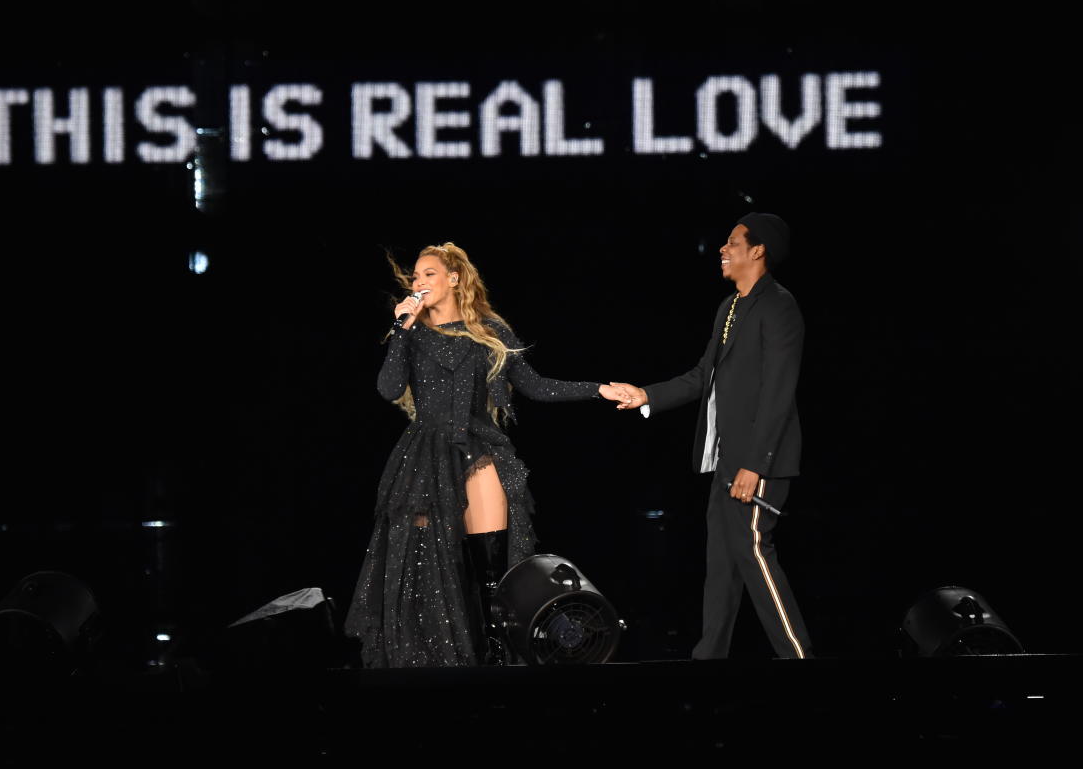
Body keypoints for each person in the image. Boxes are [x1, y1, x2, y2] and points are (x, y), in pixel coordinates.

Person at [345, 242, 628, 667]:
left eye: (428, 274)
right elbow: (387, 389)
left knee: (492, 569)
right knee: (430, 567)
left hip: (477, 448)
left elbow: (536, 385)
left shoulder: (490, 330)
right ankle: (438, 660)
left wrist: (598, 388)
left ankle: (497, 655)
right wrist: (401, 329)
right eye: (416, 277)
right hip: (425, 457)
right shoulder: (413, 333)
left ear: (454, 278)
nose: (418, 283)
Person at [610, 213, 813, 659]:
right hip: (727, 461)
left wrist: (755, 464)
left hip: (758, 463)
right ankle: (708, 665)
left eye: (732, 242)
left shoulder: (779, 305)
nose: (723, 249)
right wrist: (645, 394)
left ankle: (802, 663)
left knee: (757, 559)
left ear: (757, 250)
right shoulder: (731, 306)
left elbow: (779, 391)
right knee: (722, 570)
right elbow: (704, 376)